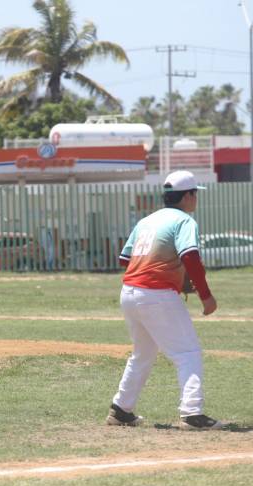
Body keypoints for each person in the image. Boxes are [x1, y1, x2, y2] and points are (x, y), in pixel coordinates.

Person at [106, 170, 222, 431]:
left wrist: (171, 274)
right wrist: (206, 296)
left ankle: (121, 409)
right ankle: (192, 413)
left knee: (143, 353)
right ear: (189, 196)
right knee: (187, 352)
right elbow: (190, 257)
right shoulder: (184, 221)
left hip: (130, 291)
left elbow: (125, 259)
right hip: (157, 295)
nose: (196, 199)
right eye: (195, 194)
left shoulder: (147, 220)